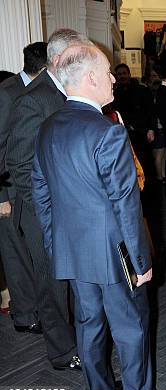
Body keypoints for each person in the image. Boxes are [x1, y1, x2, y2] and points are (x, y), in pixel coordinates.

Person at [32, 43, 166, 390]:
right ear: (91, 78)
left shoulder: (47, 127)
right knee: (131, 330)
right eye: (109, 71)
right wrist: (141, 264)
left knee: (89, 327)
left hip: (74, 252)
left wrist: (56, 247)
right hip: (116, 255)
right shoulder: (107, 132)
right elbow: (126, 205)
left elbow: (41, 196)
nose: (114, 78)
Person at [7, 28, 86, 370]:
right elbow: (19, 164)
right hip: (43, 212)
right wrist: (49, 208)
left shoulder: (71, 89)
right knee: (52, 283)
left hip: (70, 207)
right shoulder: (33, 98)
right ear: (57, 60)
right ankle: (62, 352)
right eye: (76, 56)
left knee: (71, 280)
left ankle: (81, 341)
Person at [0, 41, 47, 327]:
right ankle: (25, 316)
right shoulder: (7, 93)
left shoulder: (38, 90)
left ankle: (35, 310)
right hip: (9, 190)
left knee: (31, 255)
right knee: (15, 255)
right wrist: (1, 196)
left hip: (29, 186)